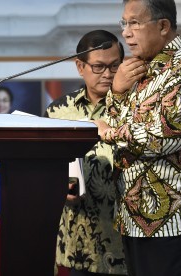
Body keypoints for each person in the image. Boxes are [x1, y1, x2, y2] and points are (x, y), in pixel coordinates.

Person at [93, 1, 181, 275]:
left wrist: (109, 133)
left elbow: (162, 138)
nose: (126, 33)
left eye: (134, 23)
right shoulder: (141, 69)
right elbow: (120, 120)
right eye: (124, 24)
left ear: (163, 26)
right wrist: (116, 92)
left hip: (174, 216)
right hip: (136, 214)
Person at [44, 30, 127, 275]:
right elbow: (46, 165)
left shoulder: (134, 107)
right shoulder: (59, 110)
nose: (108, 74)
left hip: (124, 241)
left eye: (114, 66)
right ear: (80, 66)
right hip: (78, 242)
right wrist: (59, 186)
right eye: (99, 67)